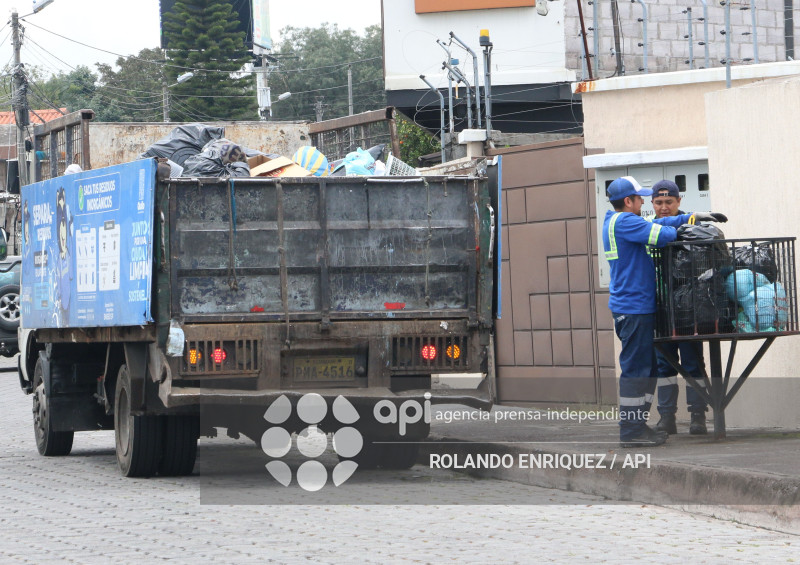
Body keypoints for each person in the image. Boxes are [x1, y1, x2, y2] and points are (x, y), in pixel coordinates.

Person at [602, 176, 726, 447]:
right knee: (637, 371)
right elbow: (661, 234)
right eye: (640, 198)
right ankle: (632, 431)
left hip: (634, 308)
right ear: (628, 201)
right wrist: (689, 229)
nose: (644, 202)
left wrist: (691, 218)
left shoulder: (615, 221)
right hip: (634, 309)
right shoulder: (625, 221)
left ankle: (638, 427)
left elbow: (655, 223)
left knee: (645, 370)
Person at [650, 180, 709, 435]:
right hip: (661, 307)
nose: (664, 207)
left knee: (693, 362)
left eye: (669, 202)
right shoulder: (647, 229)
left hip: (689, 308)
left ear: (679, 202)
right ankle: (667, 417)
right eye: (659, 203)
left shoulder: (691, 228)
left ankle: (698, 417)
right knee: (664, 365)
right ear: (652, 203)